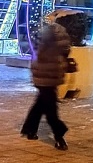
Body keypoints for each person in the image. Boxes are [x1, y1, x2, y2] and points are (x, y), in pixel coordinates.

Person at [21, 22, 71, 150]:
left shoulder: (43, 35)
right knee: (50, 109)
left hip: (41, 74)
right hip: (49, 75)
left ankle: (30, 129)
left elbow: (36, 51)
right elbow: (65, 51)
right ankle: (59, 133)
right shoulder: (58, 37)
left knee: (40, 104)